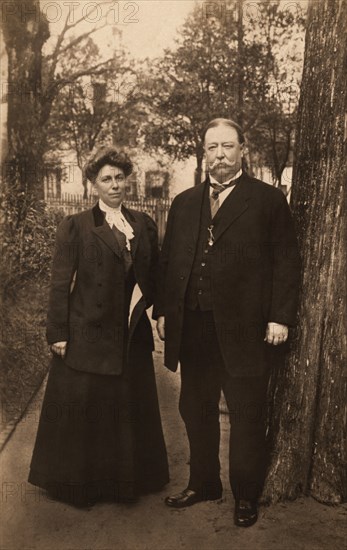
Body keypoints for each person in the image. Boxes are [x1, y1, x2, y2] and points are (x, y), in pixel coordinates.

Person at [155, 118, 300, 527]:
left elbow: (287, 264)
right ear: (204, 152)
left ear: (242, 150)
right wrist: (165, 311)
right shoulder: (184, 202)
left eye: (228, 147)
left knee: (246, 413)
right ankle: (204, 484)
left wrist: (280, 317)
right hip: (195, 329)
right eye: (213, 147)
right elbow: (169, 263)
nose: (220, 155)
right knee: (195, 408)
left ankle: (245, 496)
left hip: (246, 331)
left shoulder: (269, 200)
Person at [29, 146, 169, 507]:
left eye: (120, 177)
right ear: (93, 185)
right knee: (88, 409)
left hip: (129, 333)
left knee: (126, 406)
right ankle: (82, 485)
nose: (114, 185)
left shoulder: (142, 224)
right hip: (88, 331)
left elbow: (156, 275)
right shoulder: (75, 226)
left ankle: (126, 482)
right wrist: (57, 332)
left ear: (128, 180)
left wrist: (159, 311)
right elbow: (60, 283)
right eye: (106, 179)